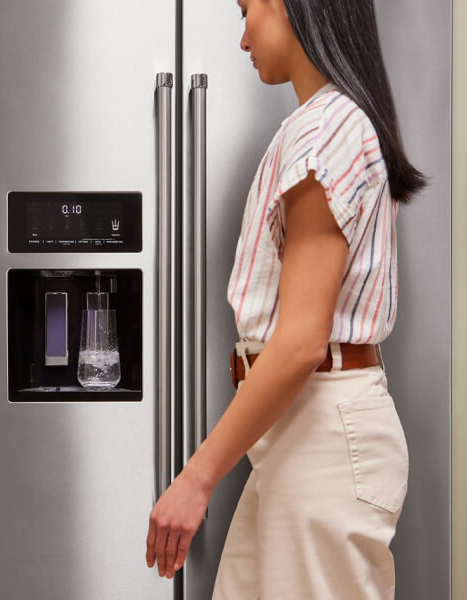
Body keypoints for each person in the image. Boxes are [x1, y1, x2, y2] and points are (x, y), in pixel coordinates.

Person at [145, 0, 426, 597]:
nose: (242, 37)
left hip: (320, 437)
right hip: (303, 433)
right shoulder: (324, 123)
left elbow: (300, 341)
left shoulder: (328, 131)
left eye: (246, 11)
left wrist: (195, 480)